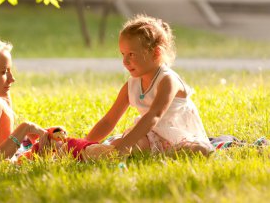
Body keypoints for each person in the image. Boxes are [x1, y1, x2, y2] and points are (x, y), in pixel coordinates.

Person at [85, 15, 213, 156]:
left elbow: (153, 116)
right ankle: (95, 152)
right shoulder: (131, 85)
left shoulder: (167, 80)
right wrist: (85, 142)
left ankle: (165, 153)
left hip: (177, 137)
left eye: (131, 54)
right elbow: (109, 120)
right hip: (149, 135)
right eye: (123, 54)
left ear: (156, 53)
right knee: (130, 144)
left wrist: (125, 145)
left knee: (201, 150)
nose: (125, 61)